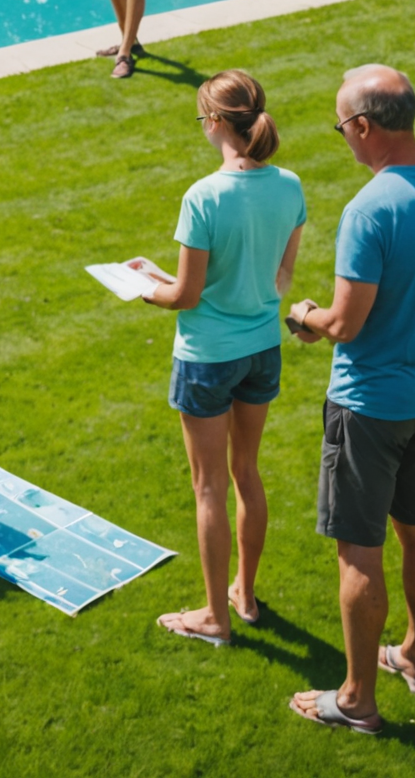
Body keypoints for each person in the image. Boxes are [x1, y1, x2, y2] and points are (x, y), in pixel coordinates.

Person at [284, 65, 415, 735]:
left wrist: (305, 314)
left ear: (365, 126)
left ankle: (357, 699)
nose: (343, 138)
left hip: (370, 404)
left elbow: (346, 323)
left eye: (342, 127)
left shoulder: (369, 208)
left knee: (359, 550)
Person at [134, 71, 306, 648]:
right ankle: (245, 595)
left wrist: (143, 288)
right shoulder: (290, 186)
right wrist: (168, 277)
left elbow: (186, 296)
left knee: (208, 486)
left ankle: (213, 615)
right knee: (246, 473)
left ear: (213, 122)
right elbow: (279, 279)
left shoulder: (203, 196)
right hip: (262, 350)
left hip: (207, 356)